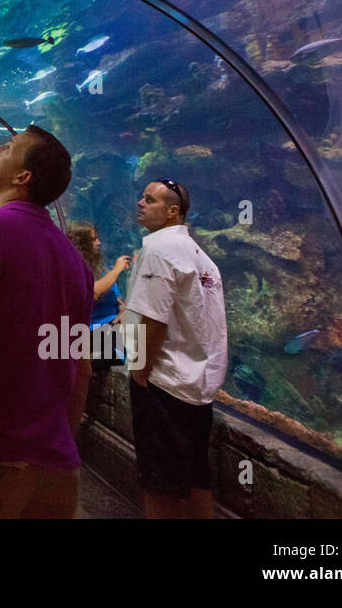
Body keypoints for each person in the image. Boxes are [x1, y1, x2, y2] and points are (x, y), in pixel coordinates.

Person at [0, 126, 95, 518]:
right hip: (58, 464)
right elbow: (81, 368)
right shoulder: (76, 261)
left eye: (9, 147)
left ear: (23, 177)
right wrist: (55, 441)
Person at [124, 179, 227, 519]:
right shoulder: (202, 258)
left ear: (172, 212)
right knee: (196, 475)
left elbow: (154, 320)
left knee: (160, 484)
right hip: (195, 387)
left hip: (163, 384)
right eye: (142, 197)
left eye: (149, 200)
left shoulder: (159, 250)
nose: (141, 203)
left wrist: (140, 373)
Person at [66, 223, 132, 369]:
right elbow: (93, 292)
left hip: (110, 328)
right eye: (94, 239)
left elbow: (117, 298)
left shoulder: (101, 269)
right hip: (90, 332)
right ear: (82, 244)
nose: (99, 242)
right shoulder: (74, 268)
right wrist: (116, 270)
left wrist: (124, 311)